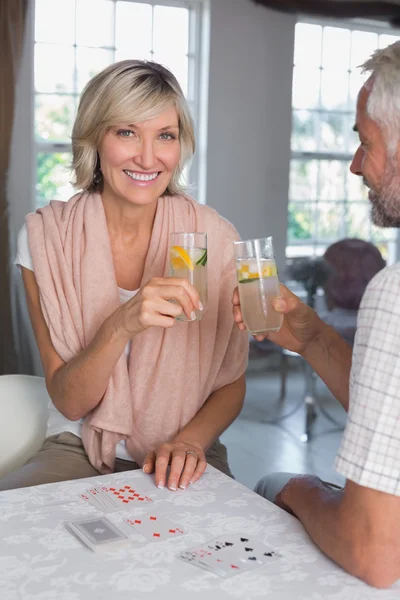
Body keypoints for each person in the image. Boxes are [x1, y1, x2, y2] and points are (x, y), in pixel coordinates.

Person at [1, 60, 248, 493]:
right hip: (77, 446)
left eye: (165, 136)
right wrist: (122, 322)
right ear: (96, 137)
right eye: (127, 132)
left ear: (181, 144)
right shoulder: (45, 238)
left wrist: (190, 443)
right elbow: (70, 400)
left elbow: (231, 383)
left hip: (185, 448)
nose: (148, 157)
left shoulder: (215, 238)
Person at [233, 41, 400, 589]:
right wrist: (311, 335)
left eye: (365, 142)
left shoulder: (394, 292)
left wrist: (295, 487)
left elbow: (374, 553)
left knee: (271, 486)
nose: (356, 165)